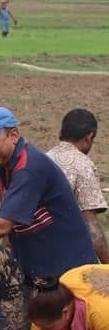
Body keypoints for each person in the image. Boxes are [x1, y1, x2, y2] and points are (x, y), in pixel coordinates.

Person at [0, 107, 96, 282]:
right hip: (40, 269)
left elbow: (3, 225)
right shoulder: (3, 170)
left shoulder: (29, 168)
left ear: (13, 135)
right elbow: (9, 223)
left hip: (68, 273)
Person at [47, 109, 108, 263]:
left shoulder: (44, 158)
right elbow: (91, 227)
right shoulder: (83, 165)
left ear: (60, 133)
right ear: (89, 137)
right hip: (65, 255)